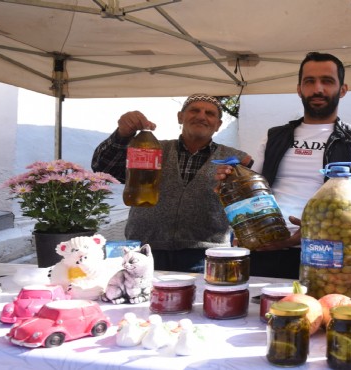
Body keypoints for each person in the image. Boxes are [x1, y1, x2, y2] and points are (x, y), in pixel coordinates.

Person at [218, 52, 351, 279]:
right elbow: (252, 192)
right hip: (265, 248)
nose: (318, 89)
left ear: (343, 90)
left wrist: (310, 233)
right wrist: (231, 180)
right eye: (309, 82)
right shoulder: (274, 137)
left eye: (327, 81)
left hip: (327, 255)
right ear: (299, 89)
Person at [92, 94, 252, 273]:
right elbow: (105, 168)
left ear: (218, 125)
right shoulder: (149, 149)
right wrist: (122, 135)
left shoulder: (236, 159)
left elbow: (252, 201)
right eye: (194, 110)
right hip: (146, 250)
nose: (201, 116)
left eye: (210, 113)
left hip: (206, 254)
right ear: (180, 117)